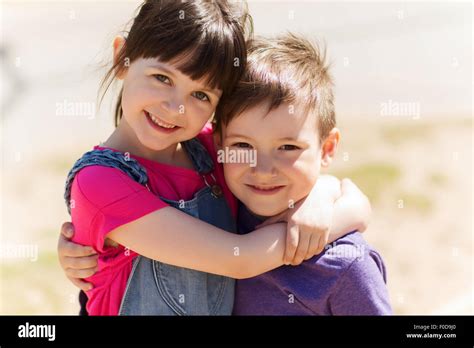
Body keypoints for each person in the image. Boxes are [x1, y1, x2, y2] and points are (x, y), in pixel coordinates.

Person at [58, 0, 373, 316]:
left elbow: (358, 203)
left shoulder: (213, 149)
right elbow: (240, 259)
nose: (174, 108)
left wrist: (321, 197)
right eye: (162, 78)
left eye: (200, 95)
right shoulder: (99, 184)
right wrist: (317, 230)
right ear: (122, 58)